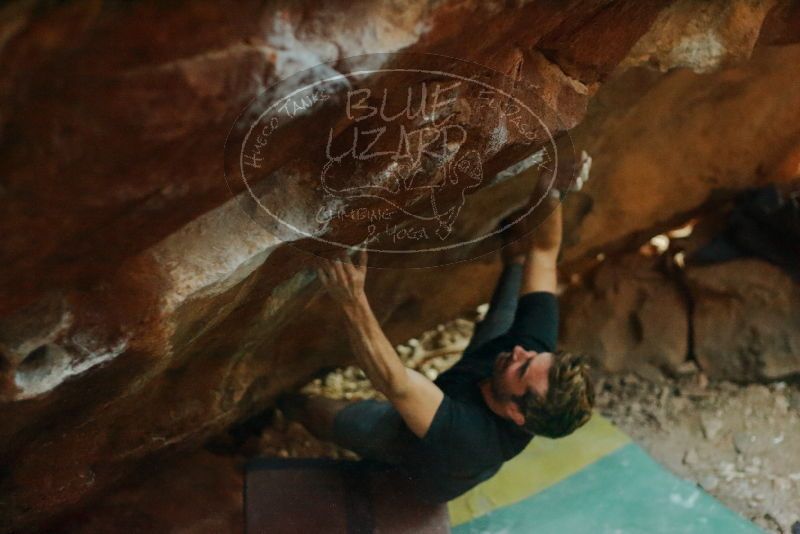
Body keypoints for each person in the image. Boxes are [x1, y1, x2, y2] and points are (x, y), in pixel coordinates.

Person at [279, 190, 595, 504]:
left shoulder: (471, 440)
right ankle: (513, 257)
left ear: (516, 412)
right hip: (477, 377)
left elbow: (395, 382)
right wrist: (552, 189)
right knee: (508, 310)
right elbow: (544, 252)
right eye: (535, 355)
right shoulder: (531, 357)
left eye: (524, 367)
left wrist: (352, 299)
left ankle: (285, 404)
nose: (521, 352)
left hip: (415, 454)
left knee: (323, 414)